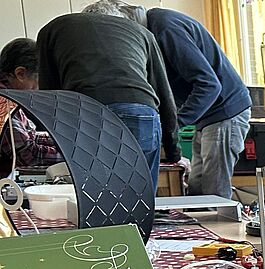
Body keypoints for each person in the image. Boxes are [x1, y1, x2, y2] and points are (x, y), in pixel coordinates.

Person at [83, 1, 251, 199]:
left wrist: (174, 124)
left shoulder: (165, 27)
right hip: (209, 117)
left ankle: (221, 231)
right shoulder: (152, 32)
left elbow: (209, 85)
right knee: (197, 188)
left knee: (214, 194)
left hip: (225, 112)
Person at [37, 12, 179, 193]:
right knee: (142, 197)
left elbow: (50, 94)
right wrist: (173, 151)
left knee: (99, 196)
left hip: (87, 109)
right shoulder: (142, 32)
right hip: (140, 109)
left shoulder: (54, 28)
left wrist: (51, 135)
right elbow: (165, 96)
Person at [0, 38, 63, 173]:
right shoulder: (4, 102)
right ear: (20, 74)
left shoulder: (13, 96)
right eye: (39, 80)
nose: (41, 88)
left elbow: (31, 136)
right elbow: (28, 155)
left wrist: (63, 141)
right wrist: (68, 157)